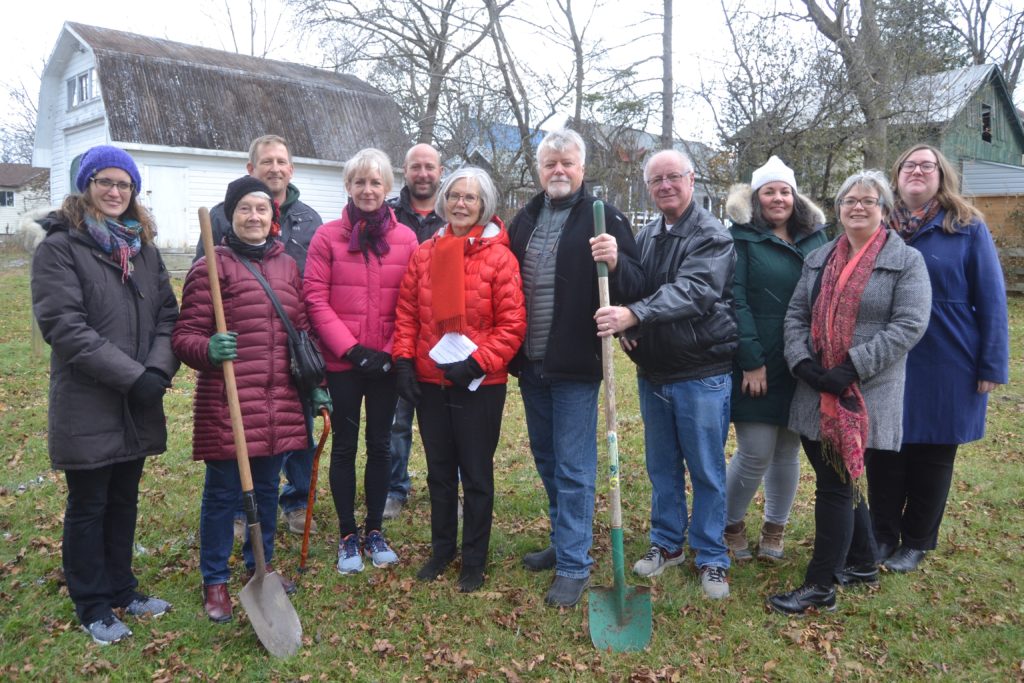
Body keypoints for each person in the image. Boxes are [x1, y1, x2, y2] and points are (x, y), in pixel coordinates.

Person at [32, 145, 180, 644]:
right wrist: (131, 377)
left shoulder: (144, 250)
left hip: (138, 398)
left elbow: (167, 316)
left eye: (124, 184)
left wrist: (157, 370)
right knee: (90, 502)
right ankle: (92, 602)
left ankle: (123, 588)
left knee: (124, 498)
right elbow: (65, 327)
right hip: (89, 399)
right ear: (87, 186)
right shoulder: (61, 247)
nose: (116, 192)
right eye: (105, 182)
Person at [767, 170, 931, 615]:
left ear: (884, 208)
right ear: (838, 209)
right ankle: (861, 562)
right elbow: (796, 315)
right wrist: (803, 362)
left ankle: (820, 585)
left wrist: (851, 367)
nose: (858, 207)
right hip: (814, 388)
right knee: (838, 480)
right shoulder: (818, 257)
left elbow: (909, 325)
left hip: (865, 391)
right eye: (849, 201)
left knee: (836, 486)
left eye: (868, 201)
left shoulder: (906, 261)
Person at [173, 176, 331, 623]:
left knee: (264, 491)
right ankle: (215, 580)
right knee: (223, 495)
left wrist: (315, 383)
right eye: (245, 209)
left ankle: (258, 568)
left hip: (278, 401)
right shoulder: (212, 268)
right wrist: (208, 349)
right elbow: (183, 337)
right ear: (231, 215)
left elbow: (301, 331)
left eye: (262, 209)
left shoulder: (286, 267)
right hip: (231, 404)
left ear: (273, 217)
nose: (254, 217)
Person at [508, 128, 645, 607]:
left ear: (582, 169)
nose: (558, 171)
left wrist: (616, 260)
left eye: (567, 163)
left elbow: (636, 283)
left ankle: (574, 563)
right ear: (540, 170)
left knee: (573, 466)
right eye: (550, 164)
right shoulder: (523, 219)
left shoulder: (602, 217)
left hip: (575, 364)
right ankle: (562, 539)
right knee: (547, 460)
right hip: (531, 362)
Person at [595, 149, 737, 600]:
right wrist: (627, 325)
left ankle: (712, 556)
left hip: (701, 370)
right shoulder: (648, 233)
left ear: (691, 180)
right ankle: (668, 543)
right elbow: (637, 289)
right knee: (662, 467)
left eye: (673, 177)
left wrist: (635, 314)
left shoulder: (712, 235)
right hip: (655, 371)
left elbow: (693, 292)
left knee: (707, 468)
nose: (665, 186)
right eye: (656, 180)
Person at [869, 145, 1010, 573]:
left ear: (940, 175)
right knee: (885, 448)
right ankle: (880, 534)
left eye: (926, 165)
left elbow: (991, 299)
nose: (917, 171)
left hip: (947, 357)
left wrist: (991, 364)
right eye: (909, 165)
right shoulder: (877, 225)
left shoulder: (965, 227)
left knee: (932, 452)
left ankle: (916, 541)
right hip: (887, 356)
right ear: (896, 176)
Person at [392, 167, 526, 592]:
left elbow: (512, 324)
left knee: (476, 475)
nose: (461, 204)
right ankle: (442, 549)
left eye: (471, 198)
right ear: (443, 201)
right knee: (439, 472)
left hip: (479, 384)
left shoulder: (500, 257)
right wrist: (402, 361)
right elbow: (408, 313)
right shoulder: (424, 253)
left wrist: (477, 363)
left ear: (484, 205)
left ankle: (474, 558)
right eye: (454, 196)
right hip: (432, 381)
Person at [196, 135, 325, 537]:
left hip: (291, 351)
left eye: (281, 161)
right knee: (241, 440)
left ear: (291, 168)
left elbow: (313, 286)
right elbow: (205, 291)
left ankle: (297, 500)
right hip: (245, 352)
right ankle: (237, 511)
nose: (275, 167)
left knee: (293, 431)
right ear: (250, 168)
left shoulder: (308, 219)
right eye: (266, 161)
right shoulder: (220, 216)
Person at [304, 148, 418, 574]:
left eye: (375, 182)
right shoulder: (327, 236)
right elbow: (314, 297)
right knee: (346, 447)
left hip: (387, 363)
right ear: (348, 186)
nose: (367, 190)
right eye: (359, 182)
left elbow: (411, 300)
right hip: (344, 363)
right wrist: (351, 349)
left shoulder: (406, 239)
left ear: (388, 188)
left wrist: (389, 351)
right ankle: (348, 534)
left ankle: (374, 529)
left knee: (381, 445)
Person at [722, 156, 827, 562]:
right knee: (755, 449)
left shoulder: (818, 239)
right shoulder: (742, 239)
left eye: (785, 190)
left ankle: (775, 527)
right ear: (756, 197)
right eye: (770, 191)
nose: (778, 198)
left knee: (787, 450)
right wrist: (751, 359)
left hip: (802, 361)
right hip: (759, 360)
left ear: (795, 196)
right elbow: (736, 300)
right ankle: (729, 523)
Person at [384, 143, 447, 521]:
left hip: (449, 333)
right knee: (396, 419)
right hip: (399, 329)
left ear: (441, 170)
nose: (423, 174)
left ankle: (449, 485)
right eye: (415, 167)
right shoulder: (387, 215)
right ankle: (395, 486)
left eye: (430, 167)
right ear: (404, 172)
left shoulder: (457, 209)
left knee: (451, 422)